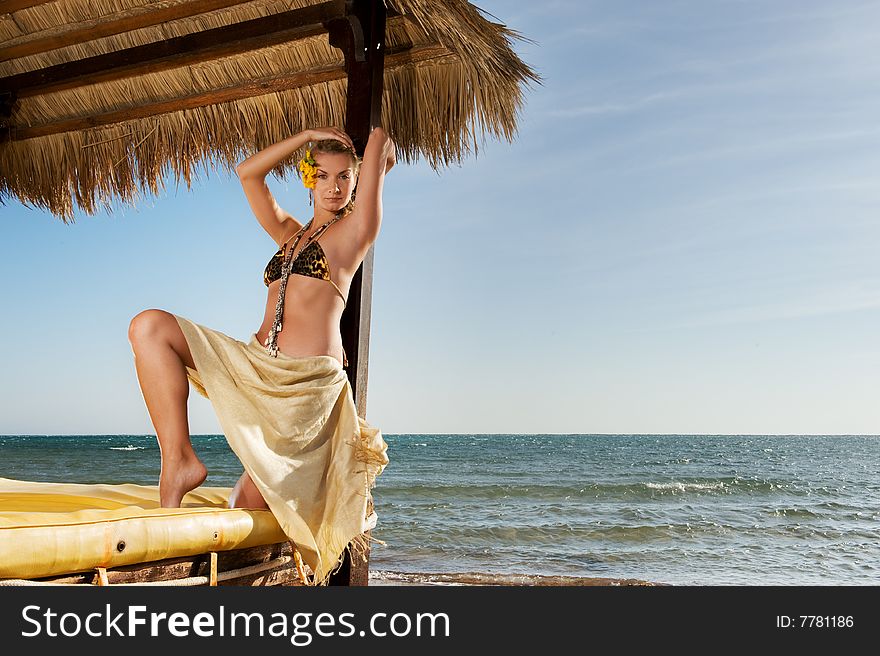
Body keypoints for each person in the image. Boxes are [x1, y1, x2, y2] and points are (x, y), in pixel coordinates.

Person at [127, 125, 395, 585]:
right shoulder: (289, 236)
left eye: (345, 178)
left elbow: (378, 147)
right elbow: (248, 174)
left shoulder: (354, 235)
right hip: (257, 366)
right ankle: (179, 460)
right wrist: (306, 135)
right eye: (324, 175)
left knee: (246, 507)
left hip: (303, 388)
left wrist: (373, 150)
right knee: (149, 328)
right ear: (309, 177)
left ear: (357, 181)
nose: (334, 186)